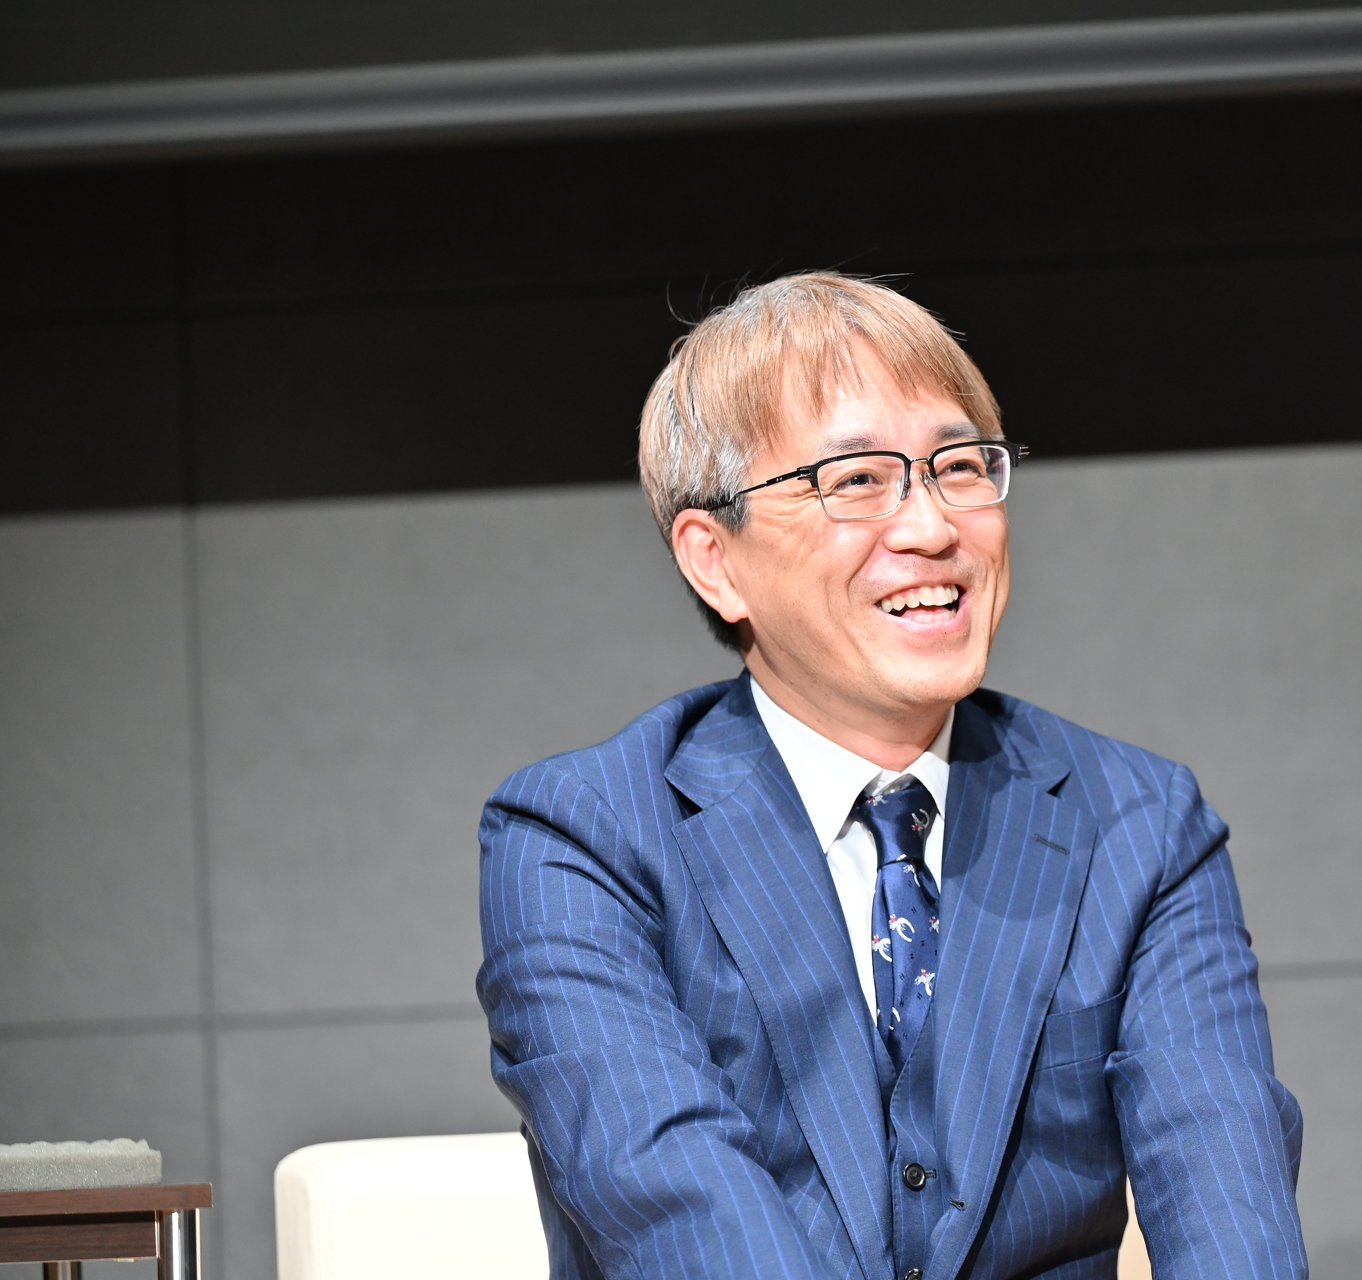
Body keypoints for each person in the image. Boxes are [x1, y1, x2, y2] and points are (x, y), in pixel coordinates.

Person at [477, 272, 1306, 1280]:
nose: (931, 527)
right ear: (715, 559)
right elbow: (681, 1214)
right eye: (859, 480)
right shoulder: (582, 837)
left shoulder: (1141, 823)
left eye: (959, 466)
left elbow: (1226, 1196)